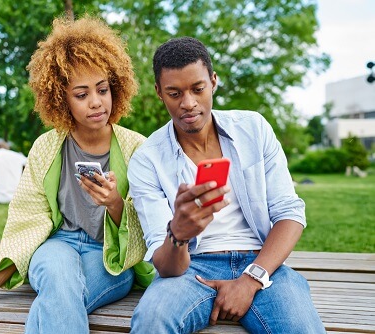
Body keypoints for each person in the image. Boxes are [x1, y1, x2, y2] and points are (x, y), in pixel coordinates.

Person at [0, 15, 155, 333]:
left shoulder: (137, 148)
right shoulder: (46, 147)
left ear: (116, 88)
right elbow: (28, 221)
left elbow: (147, 226)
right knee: (59, 280)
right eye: (82, 95)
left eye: (102, 89)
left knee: (58, 298)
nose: (96, 102)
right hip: (58, 245)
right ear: (61, 99)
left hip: (111, 258)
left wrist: (114, 204)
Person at [127, 37, 325, 333]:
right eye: (174, 93)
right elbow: (167, 267)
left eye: (198, 89)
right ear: (159, 93)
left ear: (214, 81)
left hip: (261, 260)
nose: (188, 103)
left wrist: (251, 279)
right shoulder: (147, 159)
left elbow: (289, 214)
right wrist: (178, 235)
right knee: (151, 321)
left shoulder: (254, 129)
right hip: (190, 269)